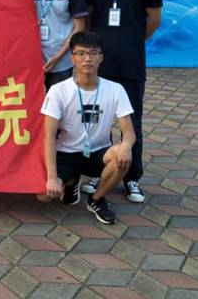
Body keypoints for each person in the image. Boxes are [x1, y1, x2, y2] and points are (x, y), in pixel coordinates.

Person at [79, 0, 162, 204]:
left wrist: (132, 41)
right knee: (96, 122)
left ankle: (132, 177)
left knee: (131, 121)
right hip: (97, 65)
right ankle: (98, 171)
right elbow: (87, 20)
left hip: (130, 63)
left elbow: (154, 20)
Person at [38, 31, 135, 225]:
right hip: (65, 152)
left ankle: (96, 199)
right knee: (43, 195)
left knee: (123, 157)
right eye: (81, 53)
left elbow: (129, 133)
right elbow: (48, 136)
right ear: (72, 58)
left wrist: (126, 145)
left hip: (98, 152)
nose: (87, 58)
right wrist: (52, 177)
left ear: (101, 57)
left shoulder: (115, 89)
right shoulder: (58, 91)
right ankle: (71, 181)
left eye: (93, 53)